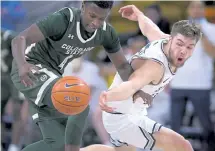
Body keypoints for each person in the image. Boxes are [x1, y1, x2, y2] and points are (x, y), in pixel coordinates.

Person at [10, 1, 151, 151]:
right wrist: (22, 65)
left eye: (101, 18)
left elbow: (122, 66)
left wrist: (136, 90)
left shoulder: (106, 32)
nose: (95, 23)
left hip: (54, 75)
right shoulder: (64, 19)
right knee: (78, 100)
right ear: (83, 7)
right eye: (92, 16)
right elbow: (19, 39)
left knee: (56, 142)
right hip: (31, 68)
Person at [81, 5, 201, 151]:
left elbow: (150, 30)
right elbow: (132, 85)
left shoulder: (164, 41)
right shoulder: (156, 66)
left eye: (190, 47)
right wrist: (109, 95)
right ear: (172, 40)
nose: (183, 50)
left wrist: (139, 16)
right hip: (122, 115)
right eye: (180, 44)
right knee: (182, 146)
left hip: (128, 111)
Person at [169, 2, 215, 150]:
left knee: (206, 126)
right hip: (178, 84)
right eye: (193, 7)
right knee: (174, 126)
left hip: (200, 84)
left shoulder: (211, 28)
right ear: (188, 9)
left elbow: (213, 54)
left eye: (199, 7)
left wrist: (201, 34)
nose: (196, 10)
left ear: (204, 10)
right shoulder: (177, 30)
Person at [1, 29, 29, 151]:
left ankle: (14, 146)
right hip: (2, 78)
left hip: (15, 76)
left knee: (18, 111)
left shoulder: (6, 36)